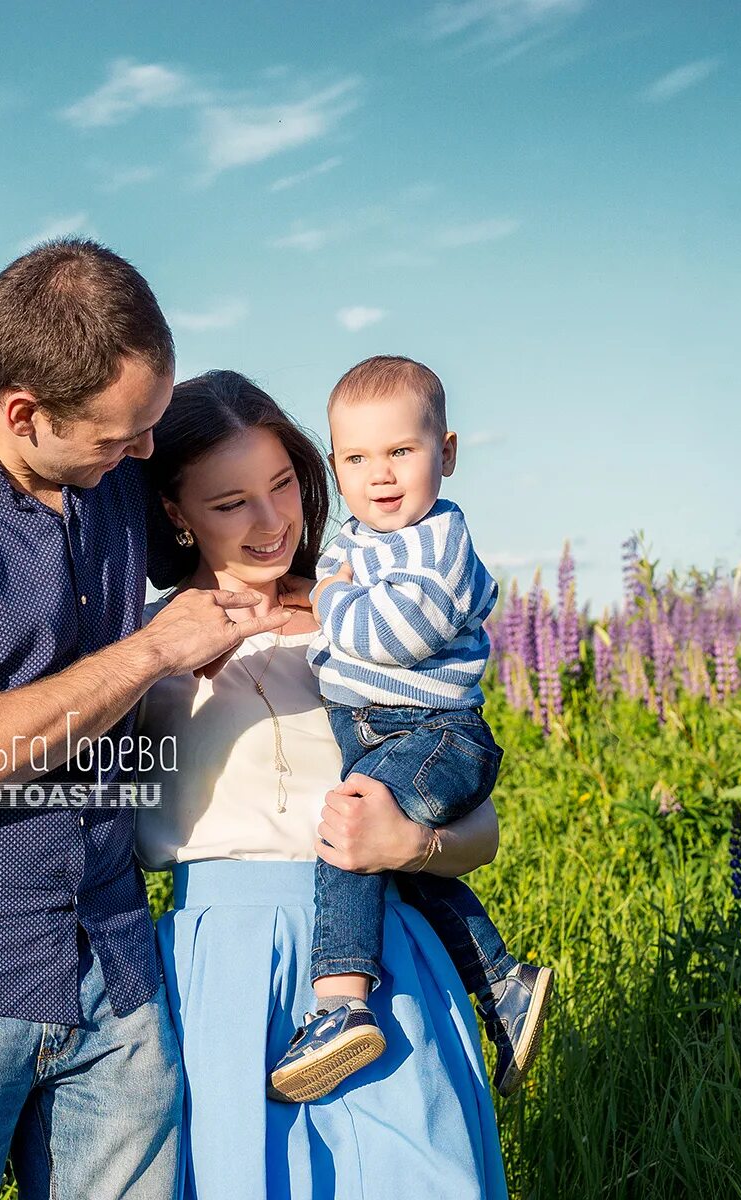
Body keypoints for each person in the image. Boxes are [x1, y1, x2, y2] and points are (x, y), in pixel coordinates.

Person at [0, 238, 291, 1200]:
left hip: (115, 966)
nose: (144, 455)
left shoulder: (108, 467)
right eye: (120, 436)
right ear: (24, 411)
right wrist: (154, 647)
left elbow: (246, 528)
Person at [133, 369, 509, 1197]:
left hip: (378, 964)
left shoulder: (370, 625)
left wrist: (413, 843)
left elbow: (481, 828)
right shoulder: (142, 653)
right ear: (176, 514)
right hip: (218, 974)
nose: (272, 523)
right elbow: (62, 824)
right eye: (230, 503)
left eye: (282, 486)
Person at [268, 356, 554, 1103]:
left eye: (401, 451)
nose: (381, 475)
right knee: (402, 868)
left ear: (447, 454)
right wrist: (326, 594)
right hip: (384, 731)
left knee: (349, 825)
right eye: (358, 458)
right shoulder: (358, 544)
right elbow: (333, 603)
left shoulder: (437, 543)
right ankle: (501, 980)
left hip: (436, 732)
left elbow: (392, 632)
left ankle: (340, 1004)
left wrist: (330, 604)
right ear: (335, 468)